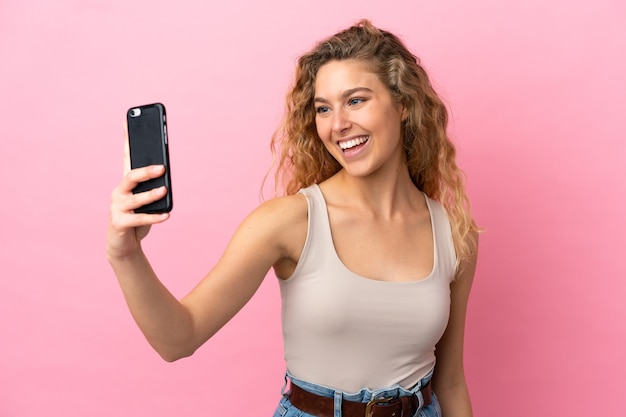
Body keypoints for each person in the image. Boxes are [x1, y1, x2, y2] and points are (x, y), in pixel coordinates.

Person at [107, 19, 479, 417]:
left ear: (403, 104)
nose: (338, 125)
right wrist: (126, 255)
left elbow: (451, 379)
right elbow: (177, 339)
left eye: (356, 100)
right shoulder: (288, 222)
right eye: (323, 108)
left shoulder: (454, 233)